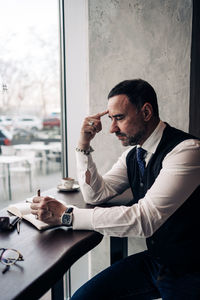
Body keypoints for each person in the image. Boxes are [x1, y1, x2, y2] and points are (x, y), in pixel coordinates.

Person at [31, 79, 200, 299]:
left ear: (146, 112)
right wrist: (83, 145)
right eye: (110, 119)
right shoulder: (134, 154)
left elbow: (144, 219)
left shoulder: (187, 151)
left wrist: (67, 216)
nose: (111, 129)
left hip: (191, 269)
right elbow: (96, 193)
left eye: (119, 118)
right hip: (158, 261)